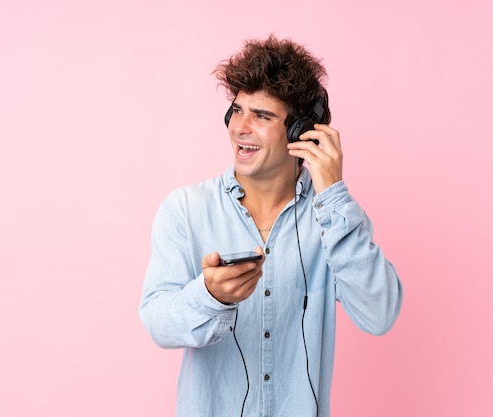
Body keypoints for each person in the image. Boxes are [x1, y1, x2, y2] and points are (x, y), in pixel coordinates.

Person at [139, 34, 403, 417]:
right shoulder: (185, 209)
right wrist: (209, 296)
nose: (240, 128)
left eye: (261, 116)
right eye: (237, 111)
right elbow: (158, 324)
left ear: (301, 131)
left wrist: (333, 195)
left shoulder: (334, 217)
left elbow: (379, 315)